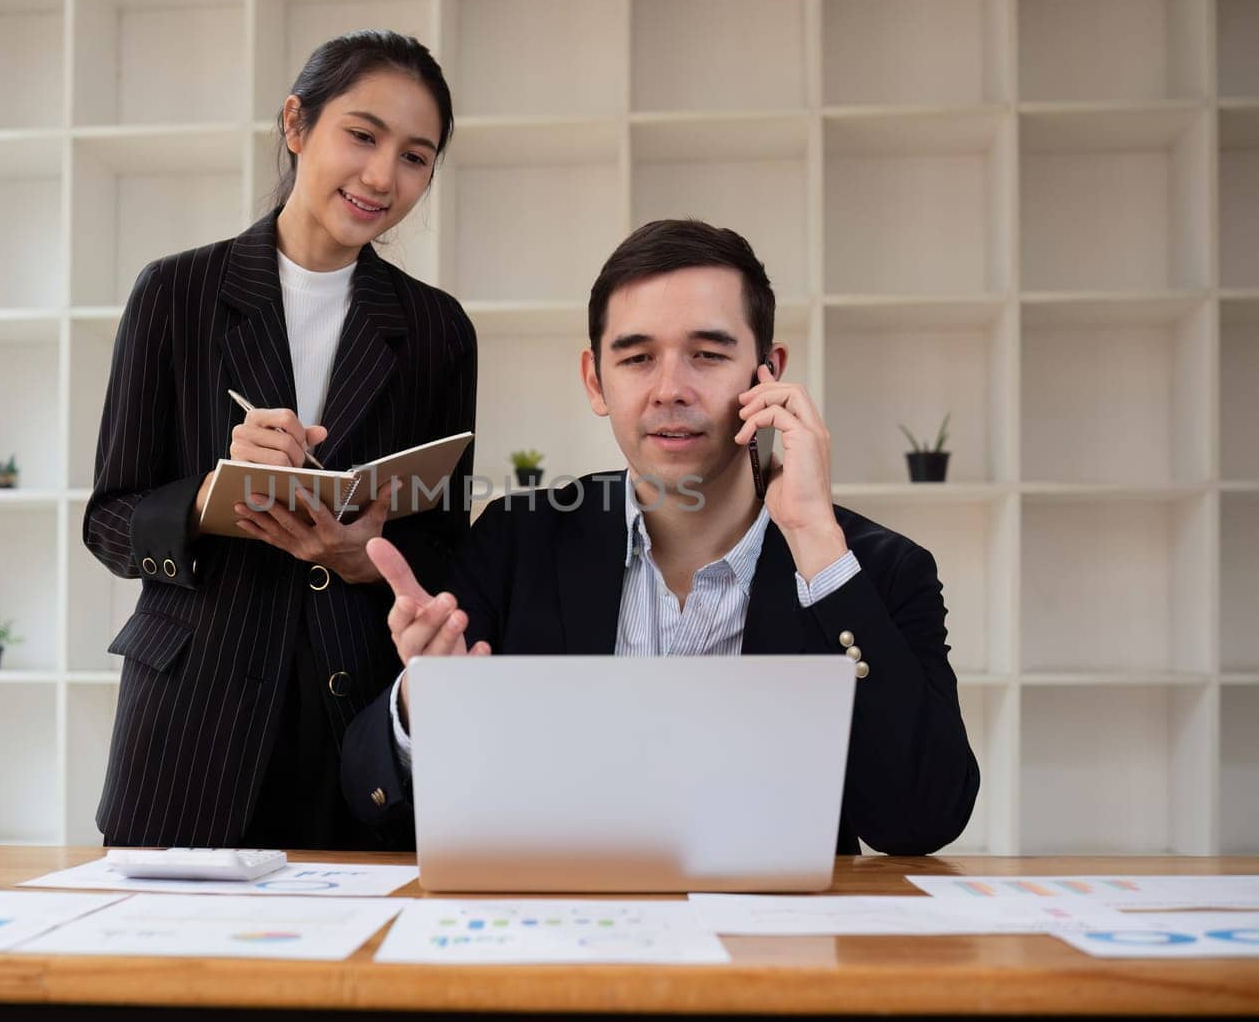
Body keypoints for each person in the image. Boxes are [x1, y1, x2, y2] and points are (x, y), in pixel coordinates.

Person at [341, 219, 979, 856]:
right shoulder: (519, 540)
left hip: (776, 943)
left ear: (768, 373)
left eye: (708, 354)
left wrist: (816, 542)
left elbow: (921, 819)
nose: (670, 390)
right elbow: (374, 804)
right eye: (638, 357)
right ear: (596, 380)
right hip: (565, 933)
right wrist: (423, 706)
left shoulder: (874, 570)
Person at [84, 31, 475, 849]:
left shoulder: (438, 330)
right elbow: (110, 520)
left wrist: (356, 555)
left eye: (415, 156)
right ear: (296, 124)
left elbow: (444, 549)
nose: (381, 177)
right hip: (191, 724)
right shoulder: (177, 295)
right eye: (361, 136)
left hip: (358, 722)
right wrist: (206, 494)